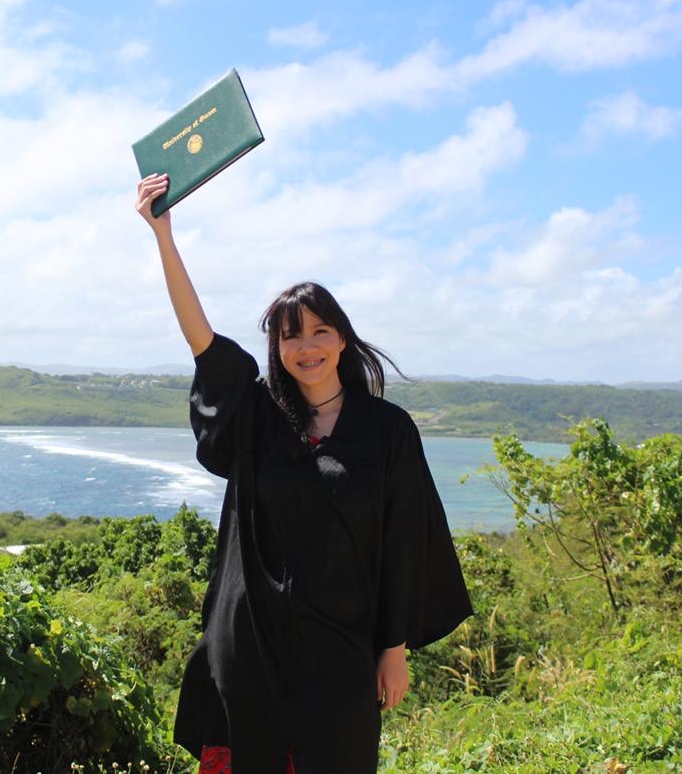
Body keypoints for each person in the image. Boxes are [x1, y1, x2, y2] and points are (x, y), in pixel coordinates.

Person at [134, 173, 474, 773]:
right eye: (292, 337)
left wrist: (393, 650)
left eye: (320, 331)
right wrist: (163, 235)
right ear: (277, 348)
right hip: (252, 643)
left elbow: (403, 542)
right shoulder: (259, 416)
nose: (307, 347)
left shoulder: (387, 431)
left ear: (342, 338)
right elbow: (201, 340)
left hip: (340, 648)